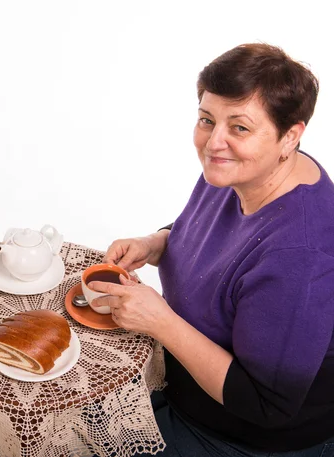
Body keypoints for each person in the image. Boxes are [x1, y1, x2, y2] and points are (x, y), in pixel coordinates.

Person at [89, 43, 334, 456]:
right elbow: (220, 235)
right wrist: (157, 242)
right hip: (180, 386)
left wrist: (160, 322)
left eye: (239, 127)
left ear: (289, 136)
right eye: (206, 120)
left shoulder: (302, 257)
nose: (213, 142)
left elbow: (266, 404)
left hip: (242, 438)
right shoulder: (248, 169)